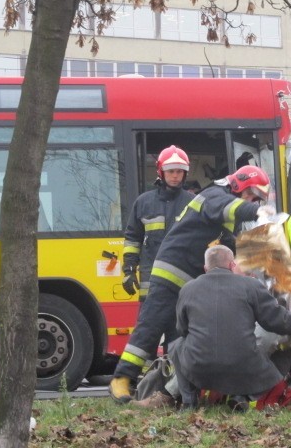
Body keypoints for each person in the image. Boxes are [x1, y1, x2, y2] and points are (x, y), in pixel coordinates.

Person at [110, 165, 275, 402]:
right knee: (150, 326)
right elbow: (229, 208)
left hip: (190, 280)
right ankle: (122, 379)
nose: (253, 202)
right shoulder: (215, 196)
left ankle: (170, 389)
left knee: (181, 336)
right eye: (251, 195)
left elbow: (231, 246)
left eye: (256, 200)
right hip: (172, 270)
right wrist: (256, 211)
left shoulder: (227, 210)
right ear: (238, 185)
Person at [166, 245, 291, 410]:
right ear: (231, 265)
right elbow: (278, 320)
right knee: (269, 353)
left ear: (205, 268)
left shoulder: (188, 289)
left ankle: (189, 402)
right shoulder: (251, 286)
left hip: (200, 370)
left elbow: (182, 329)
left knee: (177, 345)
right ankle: (244, 396)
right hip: (244, 368)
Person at [121, 145, 194, 302]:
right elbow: (133, 240)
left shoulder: (194, 203)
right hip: (152, 284)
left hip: (183, 285)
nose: (175, 176)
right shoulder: (143, 202)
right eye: (170, 171)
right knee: (148, 326)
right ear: (161, 172)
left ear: (185, 173)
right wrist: (129, 271)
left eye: (179, 171)